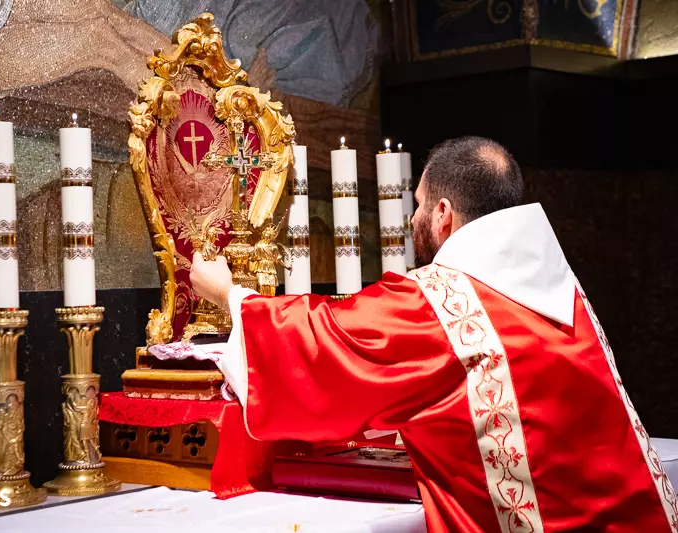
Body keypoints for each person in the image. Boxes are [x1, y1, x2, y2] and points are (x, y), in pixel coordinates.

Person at [190, 136, 677, 532]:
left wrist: (230, 295)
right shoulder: (561, 288)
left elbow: (324, 340)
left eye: (418, 204)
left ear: (443, 214)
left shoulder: (441, 304)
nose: (413, 217)